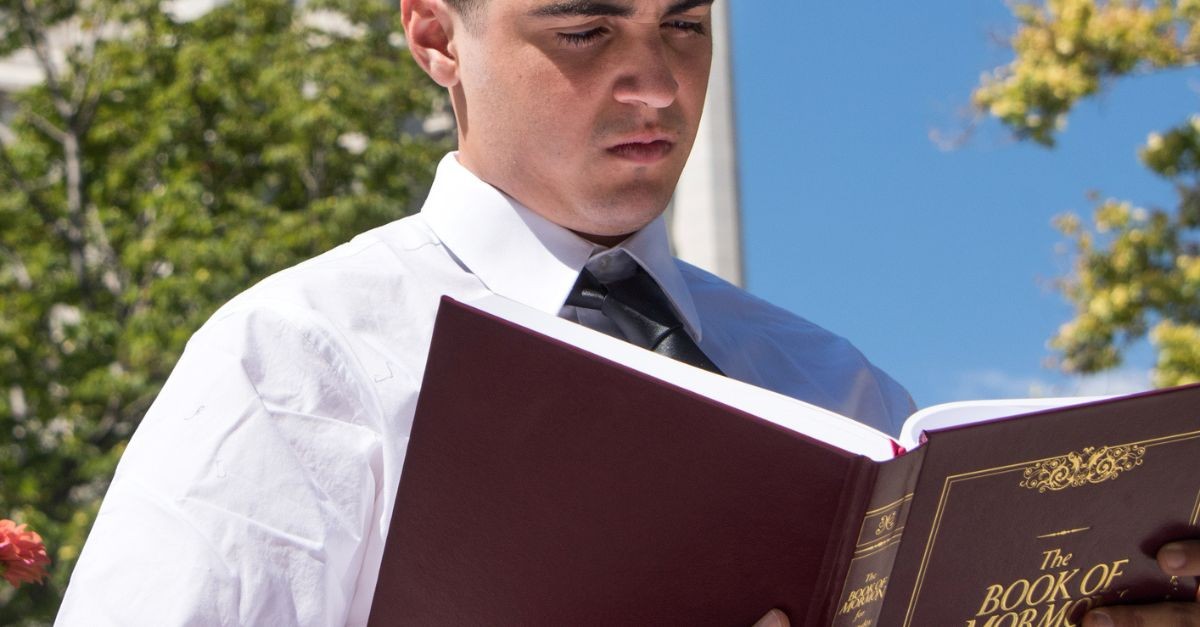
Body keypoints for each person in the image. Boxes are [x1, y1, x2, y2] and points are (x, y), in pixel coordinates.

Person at [54, 1, 1198, 626]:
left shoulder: (837, 388)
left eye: (686, 26)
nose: (654, 83)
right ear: (436, 38)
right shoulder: (298, 359)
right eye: (587, 31)